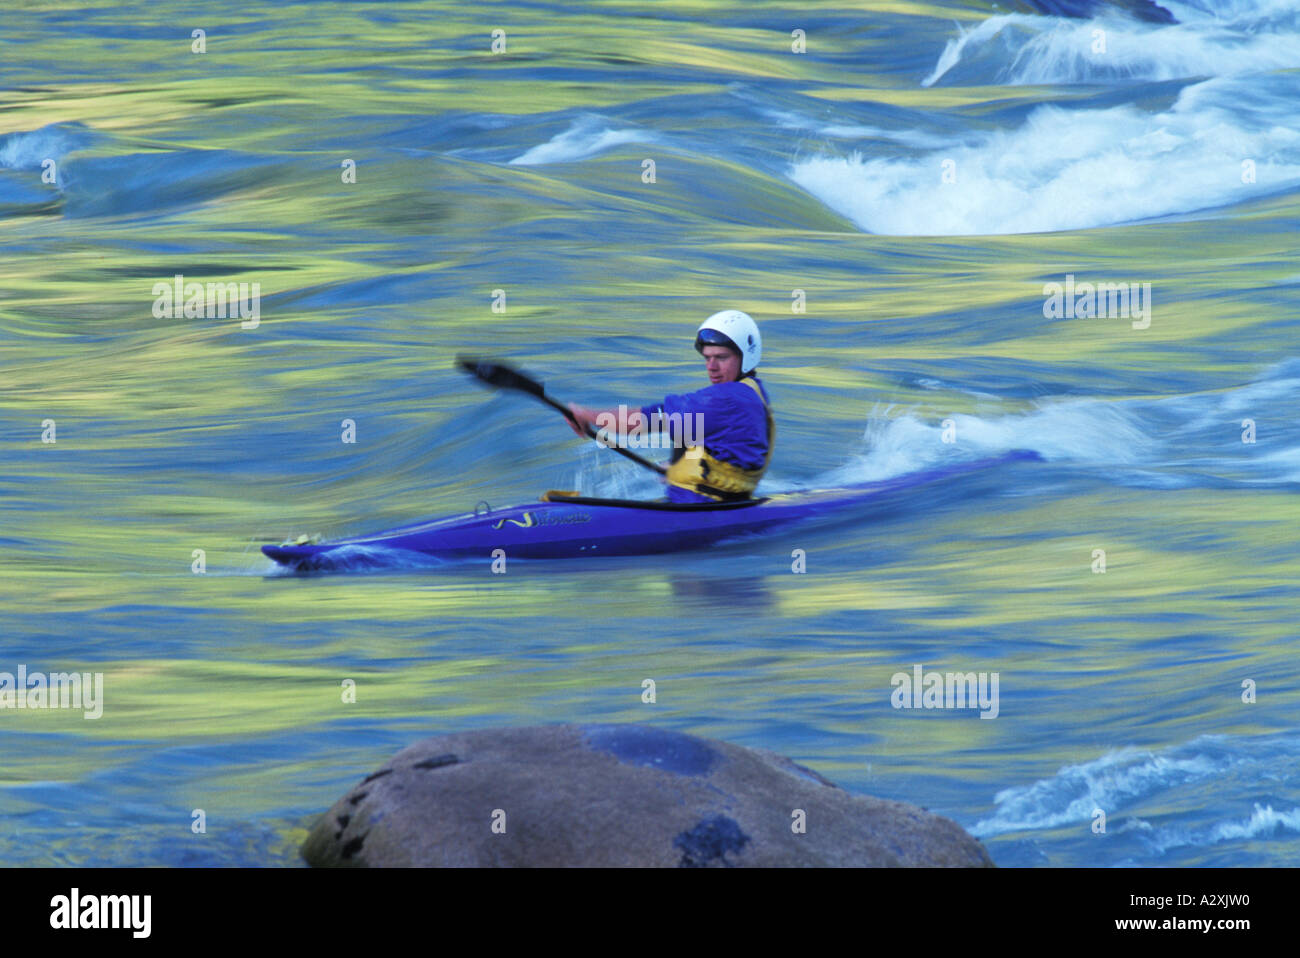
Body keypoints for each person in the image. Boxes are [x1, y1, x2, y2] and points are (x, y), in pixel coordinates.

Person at [567, 310, 774, 502]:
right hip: (724, 500)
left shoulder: (726, 399)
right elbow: (714, 439)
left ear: (746, 357)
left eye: (721, 357)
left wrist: (587, 416)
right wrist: (676, 466)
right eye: (707, 358)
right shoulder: (753, 392)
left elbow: (643, 421)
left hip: (696, 507)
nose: (711, 367)